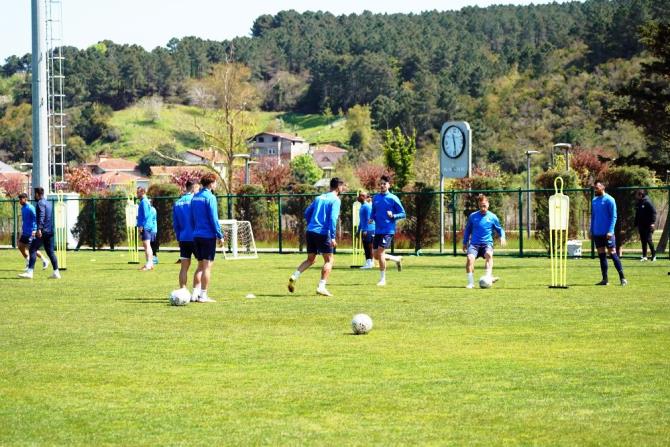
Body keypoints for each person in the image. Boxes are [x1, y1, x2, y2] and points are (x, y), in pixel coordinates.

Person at [288, 177, 346, 297]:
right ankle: (321, 287)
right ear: (339, 187)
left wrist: (312, 224)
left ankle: (294, 276)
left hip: (310, 231)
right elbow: (332, 219)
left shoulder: (319, 197)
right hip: (323, 233)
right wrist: (333, 237)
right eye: (342, 186)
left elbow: (306, 213)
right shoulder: (335, 200)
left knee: (311, 259)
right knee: (329, 260)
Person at [190, 173, 223, 303]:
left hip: (196, 235)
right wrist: (219, 235)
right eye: (215, 182)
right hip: (207, 236)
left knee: (199, 266)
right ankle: (203, 295)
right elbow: (213, 218)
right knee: (207, 267)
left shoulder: (195, 197)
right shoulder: (210, 197)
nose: (216, 185)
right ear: (211, 183)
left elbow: (192, 217)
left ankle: (194, 294)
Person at [462, 194, 506, 289]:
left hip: (487, 243)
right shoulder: (473, 216)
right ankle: (471, 283)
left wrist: (502, 236)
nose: (483, 208)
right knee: (470, 259)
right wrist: (465, 242)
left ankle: (488, 277)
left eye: (484, 206)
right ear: (478, 205)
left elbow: (500, 229)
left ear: (488, 205)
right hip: (474, 244)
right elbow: (467, 230)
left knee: (489, 255)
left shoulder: (493, 217)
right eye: (481, 206)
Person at [370, 175, 405, 286]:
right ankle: (396, 259)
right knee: (375, 255)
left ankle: (383, 279)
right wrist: (371, 218)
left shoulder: (393, 198)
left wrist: (393, 215)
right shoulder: (375, 198)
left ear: (389, 185)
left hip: (388, 230)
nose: (382, 185)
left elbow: (403, 213)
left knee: (380, 253)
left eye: (384, 183)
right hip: (378, 230)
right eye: (380, 184)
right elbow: (373, 211)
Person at [19, 187, 61, 279]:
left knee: (32, 249)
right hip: (49, 231)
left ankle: (30, 272)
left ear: (38, 194)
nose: (34, 196)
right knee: (50, 252)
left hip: (42, 232)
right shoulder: (48, 203)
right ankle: (56, 272)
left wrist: (39, 229)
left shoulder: (40, 203)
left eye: (35, 194)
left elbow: (41, 216)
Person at [591, 180, 627, 286]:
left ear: (603, 187)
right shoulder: (594, 200)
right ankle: (605, 279)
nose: (595, 190)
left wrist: (610, 231)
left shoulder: (610, 200)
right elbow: (593, 217)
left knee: (613, 254)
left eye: (597, 188)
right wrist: (591, 229)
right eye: (594, 188)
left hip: (608, 234)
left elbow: (613, 216)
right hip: (597, 233)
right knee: (601, 256)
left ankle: (623, 278)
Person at [173, 181, 202, 302]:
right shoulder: (195, 201)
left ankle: (183, 291)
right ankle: (196, 293)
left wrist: (179, 236)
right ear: (194, 187)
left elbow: (175, 224)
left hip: (183, 238)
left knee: (184, 267)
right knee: (202, 265)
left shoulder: (177, 203)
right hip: (195, 237)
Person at [17, 192, 49, 272]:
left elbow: (36, 218)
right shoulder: (23, 208)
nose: (20, 201)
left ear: (25, 199)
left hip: (31, 232)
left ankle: (45, 260)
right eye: (19, 200)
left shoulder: (31, 207)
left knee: (32, 249)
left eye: (21, 199)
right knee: (20, 246)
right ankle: (28, 261)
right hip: (25, 231)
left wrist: (35, 229)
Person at [634, 189, 657, 262]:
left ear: (641, 195)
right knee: (643, 241)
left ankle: (654, 255)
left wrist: (652, 223)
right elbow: (637, 214)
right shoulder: (639, 203)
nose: (636, 196)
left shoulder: (647, 202)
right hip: (641, 225)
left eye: (637, 194)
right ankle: (644, 256)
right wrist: (636, 224)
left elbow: (654, 212)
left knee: (649, 240)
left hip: (648, 225)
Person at [136, 187, 154, 271]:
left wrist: (141, 226)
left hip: (145, 226)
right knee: (147, 246)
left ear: (142, 192)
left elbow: (146, 215)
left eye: (138, 192)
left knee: (147, 246)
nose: (137, 194)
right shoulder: (145, 201)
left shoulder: (143, 202)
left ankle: (148, 264)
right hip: (147, 226)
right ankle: (150, 263)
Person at [357, 190, 375, 269]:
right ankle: (368, 262)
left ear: (364, 197)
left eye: (360, 195)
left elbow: (369, 219)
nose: (358, 197)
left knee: (369, 247)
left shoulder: (367, 206)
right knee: (365, 247)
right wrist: (358, 230)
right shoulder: (362, 206)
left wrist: (365, 230)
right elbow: (362, 220)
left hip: (369, 230)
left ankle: (370, 263)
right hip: (364, 229)